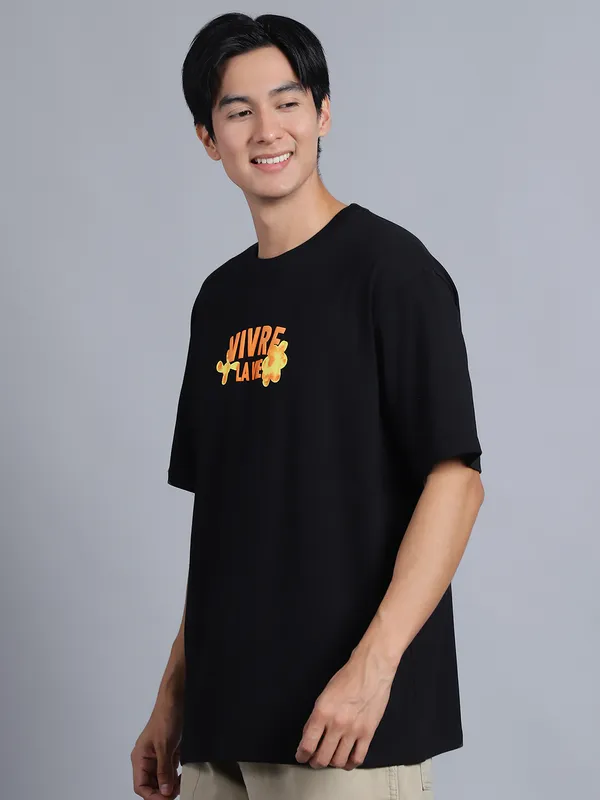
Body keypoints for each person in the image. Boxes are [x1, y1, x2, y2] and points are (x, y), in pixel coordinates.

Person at [130, 11, 484, 800]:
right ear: (208, 138)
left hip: (344, 732)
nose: (267, 129)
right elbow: (223, 523)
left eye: (287, 102)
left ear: (322, 114)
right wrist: (173, 695)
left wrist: (372, 668)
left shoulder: (391, 271)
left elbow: (457, 482)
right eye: (238, 111)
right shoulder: (219, 301)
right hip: (222, 728)